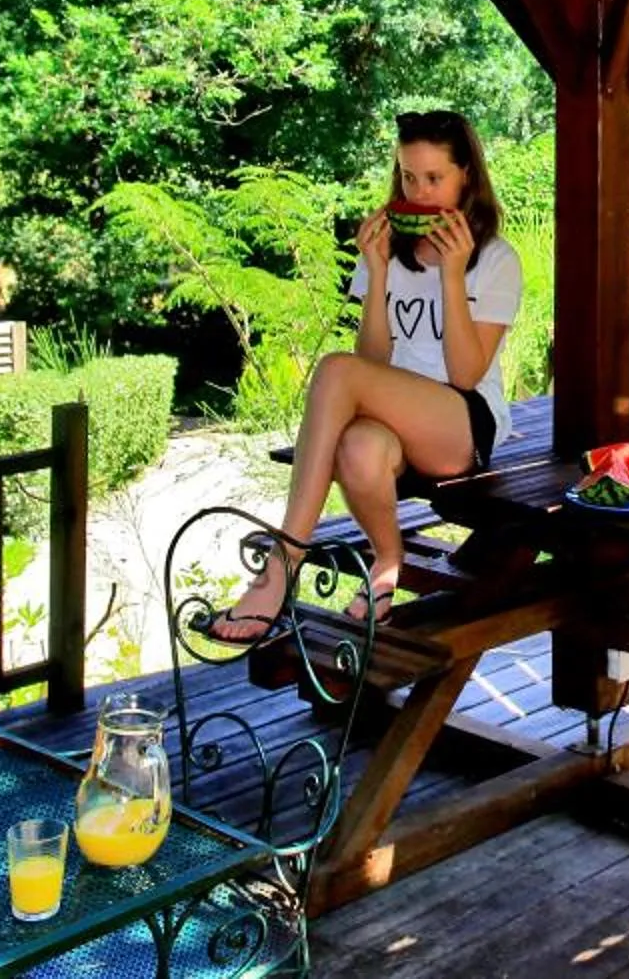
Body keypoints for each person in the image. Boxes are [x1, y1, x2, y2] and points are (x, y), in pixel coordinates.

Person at [210, 110, 522, 639]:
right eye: (407, 176)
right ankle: (387, 561)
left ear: (466, 174)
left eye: (433, 178)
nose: (418, 193)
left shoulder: (494, 259)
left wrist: (451, 274)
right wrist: (377, 272)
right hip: (393, 413)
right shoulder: (387, 252)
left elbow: (467, 374)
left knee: (334, 368)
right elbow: (374, 364)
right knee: (358, 447)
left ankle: (282, 565)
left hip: (461, 423)